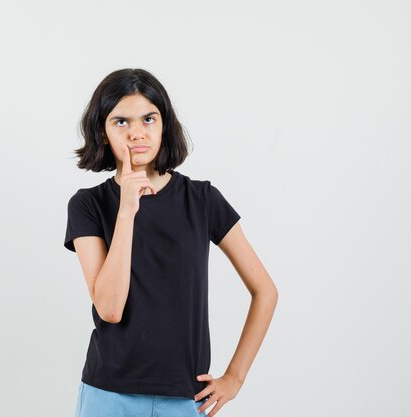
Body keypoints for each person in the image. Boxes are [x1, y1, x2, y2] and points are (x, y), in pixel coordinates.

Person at [64, 68, 278, 417]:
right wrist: (126, 212)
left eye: (148, 118)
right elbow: (110, 309)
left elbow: (265, 291)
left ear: (164, 126)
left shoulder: (203, 199)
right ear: (102, 132)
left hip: (184, 398)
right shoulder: (88, 205)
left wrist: (235, 378)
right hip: (108, 396)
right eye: (121, 121)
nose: (136, 132)